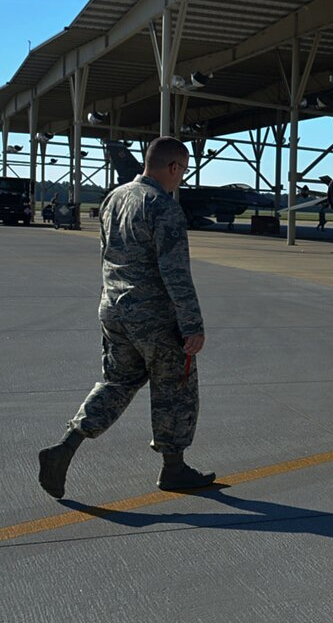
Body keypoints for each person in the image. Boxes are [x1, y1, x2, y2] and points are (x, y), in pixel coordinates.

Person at [38, 137, 214, 498]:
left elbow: (106, 254)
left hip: (114, 309)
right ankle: (174, 469)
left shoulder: (114, 197)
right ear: (174, 167)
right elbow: (176, 273)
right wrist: (192, 325)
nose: (182, 178)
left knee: (116, 383)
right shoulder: (162, 206)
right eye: (183, 170)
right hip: (154, 317)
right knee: (175, 390)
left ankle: (65, 447)